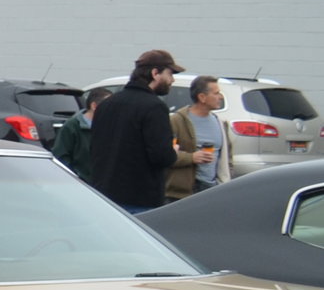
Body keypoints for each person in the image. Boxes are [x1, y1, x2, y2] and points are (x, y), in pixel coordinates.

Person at [90, 49, 182, 214]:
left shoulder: (106, 105)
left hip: (103, 195)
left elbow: (95, 148)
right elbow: (161, 156)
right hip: (140, 198)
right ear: (155, 73)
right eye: (170, 74)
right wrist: (172, 152)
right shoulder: (154, 107)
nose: (172, 80)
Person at [168, 75, 233, 199]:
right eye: (216, 93)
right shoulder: (177, 121)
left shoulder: (220, 122)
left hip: (213, 189)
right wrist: (192, 157)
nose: (220, 97)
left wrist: (226, 178)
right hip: (182, 194)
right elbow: (165, 155)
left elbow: (228, 158)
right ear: (202, 97)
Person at [50, 86, 111, 176]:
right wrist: (77, 176)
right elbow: (60, 156)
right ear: (94, 106)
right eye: (109, 105)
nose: (112, 109)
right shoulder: (72, 126)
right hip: (80, 183)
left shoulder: (111, 126)